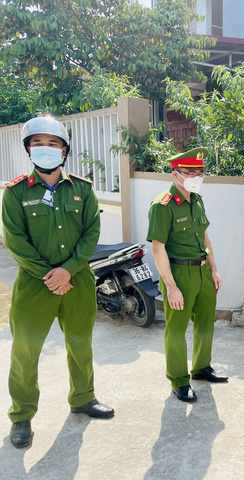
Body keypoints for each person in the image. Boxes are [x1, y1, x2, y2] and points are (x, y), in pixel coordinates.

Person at [2, 116, 114, 449]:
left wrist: (69, 270)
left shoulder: (82, 188)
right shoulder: (15, 192)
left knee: (80, 344)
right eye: (38, 143)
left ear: (64, 150)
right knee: (25, 350)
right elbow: (15, 241)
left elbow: (91, 231)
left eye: (53, 144)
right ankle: (21, 415)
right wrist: (49, 275)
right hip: (34, 285)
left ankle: (83, 397)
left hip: (77, 281)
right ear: (28, 149)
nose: (46, 149)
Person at [147, 147, 227, 404]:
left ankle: (202, 367)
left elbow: (205, 237)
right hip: (179, 273)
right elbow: (158, 247)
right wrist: (170, 286)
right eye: (190, 172)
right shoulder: (163, 206)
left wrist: (213, 269)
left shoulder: (197, 199)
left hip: (202, 270)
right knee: (177, 329)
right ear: (175, 175)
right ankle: (179, 380)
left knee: (206, 322)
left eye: (200, 172)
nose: (196, 176)